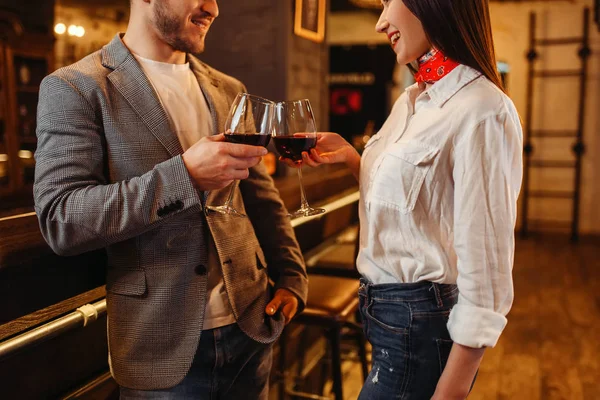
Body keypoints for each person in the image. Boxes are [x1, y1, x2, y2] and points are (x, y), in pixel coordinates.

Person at [33, 0, 308, 398]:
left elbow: (262, 200)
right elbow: (62, 219)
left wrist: (292, 278)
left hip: (252, 327)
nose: (212, 8)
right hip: (160, 345)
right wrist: (186, 175)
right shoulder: (74, 87)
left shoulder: (231, 90)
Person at [293, 0, 523, 398]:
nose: (381, 22)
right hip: (386, 320)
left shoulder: (484, 110)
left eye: (387, 2)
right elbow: (412, 209)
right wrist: (352, 157)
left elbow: (486, 282)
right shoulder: (412, 100)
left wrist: (451, 392)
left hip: (420, 328)